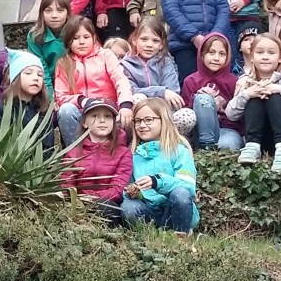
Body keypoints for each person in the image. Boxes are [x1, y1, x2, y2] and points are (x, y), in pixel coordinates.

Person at [226, 34, 281, 173]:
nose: (265, 57)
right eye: (260, 52)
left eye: (271, 53)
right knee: (255, 96)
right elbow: (231, 114)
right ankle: (252, 146)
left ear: (280, 58)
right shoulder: (245, 82)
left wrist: (280, 90)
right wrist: (247, 94)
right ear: (252, 57)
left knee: (274, 96)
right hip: (262, 140)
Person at [54, 17, 136, 148]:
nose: (81, 42)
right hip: (83, 113)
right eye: (75, 38)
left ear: (93, 37)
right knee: (65, 110)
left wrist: (125, 104)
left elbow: (121, 79)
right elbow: (61, 96)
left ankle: (122, 154)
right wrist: (82, 101)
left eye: (86, 37)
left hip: (109, 110)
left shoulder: (106, 55)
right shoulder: (63, 63)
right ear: (68, 42)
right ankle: (76, 155)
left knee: (133, 106)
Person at [121, 98, 199, 233]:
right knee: (128, 207)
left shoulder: (180, 151)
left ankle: (182, 235)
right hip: (148, 210)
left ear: (164, 121)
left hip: (175, 209)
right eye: (138, 121)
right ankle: (145, 237)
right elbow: (126, 188)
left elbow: (187, 187)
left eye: (148, 120)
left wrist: (157, 181)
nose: (142, 125)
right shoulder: (133, 155)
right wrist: (134, 192)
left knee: (180, 194)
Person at [120, 16, 195, 136]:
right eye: (144, 39)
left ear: (161, 44)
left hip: (164, 115)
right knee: (137, 98)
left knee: (188, 115)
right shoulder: (125, 65)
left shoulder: (166, 62)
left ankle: (170, 143)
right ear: (134, 40)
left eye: (155, 41)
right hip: (140, 120)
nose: (149, 45)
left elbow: (173, 90)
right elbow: (131, 90)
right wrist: (161, 91)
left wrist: (165, 94)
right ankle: (139, 142)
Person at [61, 97, 130, 222]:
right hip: (76, 205)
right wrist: (77, 201)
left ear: (114, 122)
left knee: (106, 208)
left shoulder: (123, 153)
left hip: (107, 206)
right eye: (95, 116)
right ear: (84, 122)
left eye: (108, 116)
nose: (102, 120)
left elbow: (118, 189)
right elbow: (66, 184)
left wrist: (89, 198)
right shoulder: (73, 152)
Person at [182, 33, 243, 151]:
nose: (216, 58)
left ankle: (212, 150)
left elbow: (240, 114)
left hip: (227, 130)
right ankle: (206, 147)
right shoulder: (190, 81)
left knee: (228, 146)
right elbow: (186, 112)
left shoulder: (234, 81)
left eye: (222, 54)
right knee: (203, 99)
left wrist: (223, 105)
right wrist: (197, 100)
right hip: (199, 132)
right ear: (202, 54)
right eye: (211, 52)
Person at [0, 50, 55, 153]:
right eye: (29, 73)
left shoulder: (44, 110)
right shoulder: (2, 108)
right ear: (15, 77)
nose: (36, 78)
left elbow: (48, 146)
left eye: (40, 75)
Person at [27, 0, 71, 100]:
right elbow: (41, 69)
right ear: (41, 13)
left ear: (68, 13)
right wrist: (50, 98)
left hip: (72, 81)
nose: (54, 16)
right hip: (46, 82)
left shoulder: (76, 32)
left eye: (60, 10)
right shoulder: (34, 36)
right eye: (48, 11)